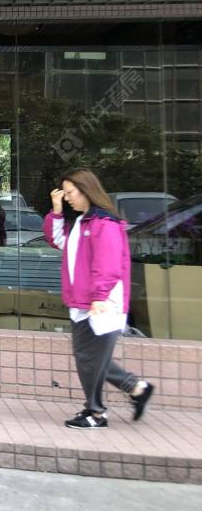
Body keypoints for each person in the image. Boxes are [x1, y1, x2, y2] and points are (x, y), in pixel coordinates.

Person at [43, 168, 155, 429]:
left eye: (70, 192)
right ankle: (137, 388)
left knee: (90, 359)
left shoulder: (104, 224)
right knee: (89, 357)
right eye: (65, 193)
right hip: (84, 302)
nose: (67, 197)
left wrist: (99, 297)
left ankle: (96, 413)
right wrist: (56, 210)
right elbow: (57, 240)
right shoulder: (83, 222)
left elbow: (108, 264)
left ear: (86, 190)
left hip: (102, 304)